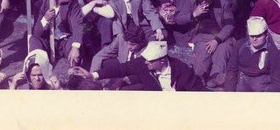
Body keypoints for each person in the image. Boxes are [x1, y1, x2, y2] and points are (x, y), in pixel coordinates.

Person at [72, 40, 203, 91]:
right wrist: (93, 75)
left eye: (150, 61)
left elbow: (197, 92)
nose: (146, 62)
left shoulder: (183, 71)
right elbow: (120, 69)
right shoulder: (143, 63)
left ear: (162, 60)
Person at [174, 0, 235, 88]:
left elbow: (229, 25)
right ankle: (200, 77)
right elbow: (178, 19)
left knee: (224, 49)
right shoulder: (191, 2)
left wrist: (217, 40)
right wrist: (193, 14)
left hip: (221, 37)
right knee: (203, 50)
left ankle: (216, 77)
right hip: (200, 37)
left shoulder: (223, 3)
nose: (204, 1)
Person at [31, 0, 86, 66]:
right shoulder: (41, 4)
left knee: (75, 46)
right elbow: (37, 32)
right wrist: (45, 18)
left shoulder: (73, 2)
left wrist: (75, 47)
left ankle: (75, 75)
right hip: (48, 42)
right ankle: (36, 69)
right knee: (34, 40)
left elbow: (77, 24)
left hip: (65, 41)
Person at [225, 17, 280, 92]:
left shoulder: (274, 53)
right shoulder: (240, 45)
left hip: (262, 86)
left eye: (259, 35)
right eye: (252, 36)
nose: (255, 39)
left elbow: (278, 83)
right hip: (242, 80)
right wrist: (230, 93)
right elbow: (231, 70)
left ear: (266, 35)